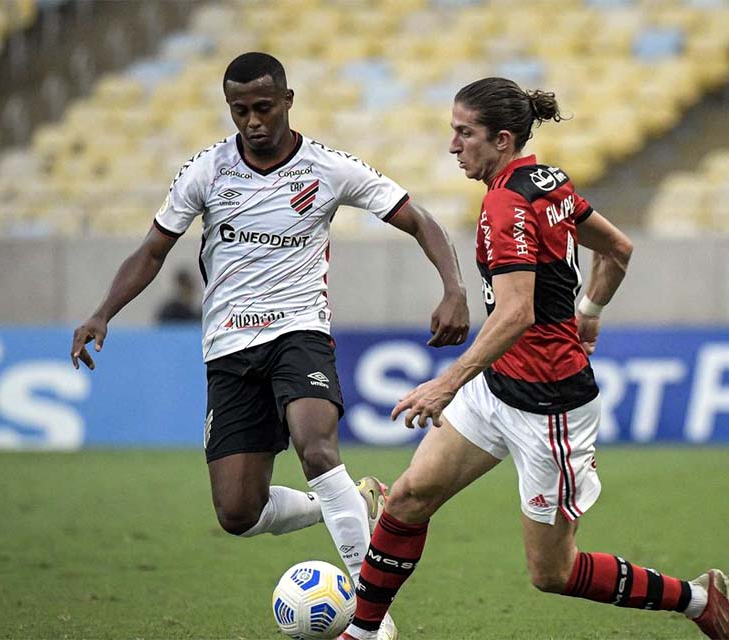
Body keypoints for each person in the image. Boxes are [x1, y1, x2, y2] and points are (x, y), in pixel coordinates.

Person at [341, 78, 729, 640]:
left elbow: (516, 314)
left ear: (502, 140)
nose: (453, 146)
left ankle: (699, 600)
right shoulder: (547, 181)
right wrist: (590, 311)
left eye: (465, 133)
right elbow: (618, 249)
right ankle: (362, 633)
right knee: (407, 498)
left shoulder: (505, 203)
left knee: (553, 572)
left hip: (549, 407)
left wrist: (446, 384)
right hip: (499, 385)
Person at [70, 53, 470, 600]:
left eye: (263, 107)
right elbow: (152, 251)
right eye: (240, 111)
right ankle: (348, 500)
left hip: (299, 332)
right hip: (228, 347)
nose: (253, 121)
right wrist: (102, 311)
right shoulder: (206, 171)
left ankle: (370, 614)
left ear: (287, 100)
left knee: (316, 449)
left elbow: (419, 220)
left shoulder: (328, 168)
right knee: (238, 512)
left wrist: (453, 288)